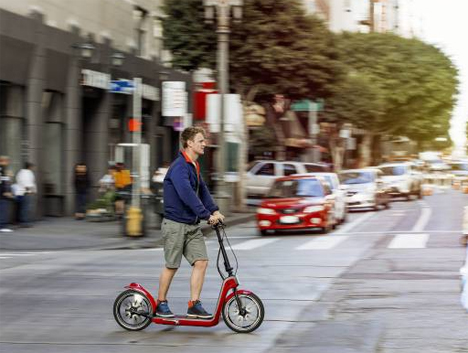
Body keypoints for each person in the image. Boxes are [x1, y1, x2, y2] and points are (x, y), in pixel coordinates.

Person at [156, 126, 225, 319]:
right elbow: (186, 194)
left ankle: (194, 304)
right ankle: (161, 303)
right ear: (189, 143)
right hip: (175, 224)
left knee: (201, 261)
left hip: (191, 224)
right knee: (172, 265)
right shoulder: (179, 166)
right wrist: (206, 215)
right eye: (201, 140)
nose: (205, 144)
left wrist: (215, 210)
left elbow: (202, 190)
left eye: (204, 140)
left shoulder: (193, 165)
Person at [15, 162, 37, 227]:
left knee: (22, 207)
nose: (33, 168)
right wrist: (30, 190)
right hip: (26, 192)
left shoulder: (21, 172)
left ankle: (21, 221)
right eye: (32, 167)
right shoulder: (26, 173)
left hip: (22, 192)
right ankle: (24, 222)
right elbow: (26, 183)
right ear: (29, 167)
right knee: (25, 208)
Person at [0, 156, 14, 232]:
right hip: (2, 194)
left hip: (2, 193)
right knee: (3, 209)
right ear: (3, 161)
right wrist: (5, 191)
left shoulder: (3, 169)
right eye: (7, 161)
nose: (8, 162)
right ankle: (2, 226)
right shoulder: (2, 169)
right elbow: (3, 182)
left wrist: (9, 176)